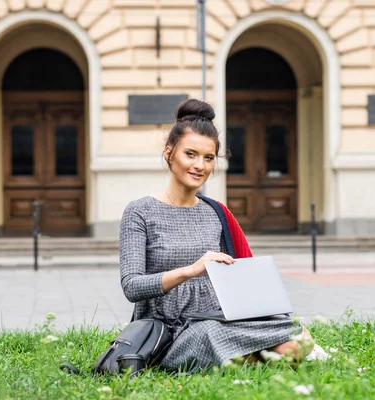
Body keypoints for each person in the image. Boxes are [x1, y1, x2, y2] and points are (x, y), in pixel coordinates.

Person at [119, 98, 314, 373]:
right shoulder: (140, 211)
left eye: (208, 158)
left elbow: (245, 273)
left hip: (223, 317)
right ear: (169, 153)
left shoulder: (216, 212)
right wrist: (192, 270)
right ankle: (250, 360)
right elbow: (132, 286)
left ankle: (248, 359)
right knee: (212, 336)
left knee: (299, 340)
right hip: (173, 331)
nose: (200, 165)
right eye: (191, 154)